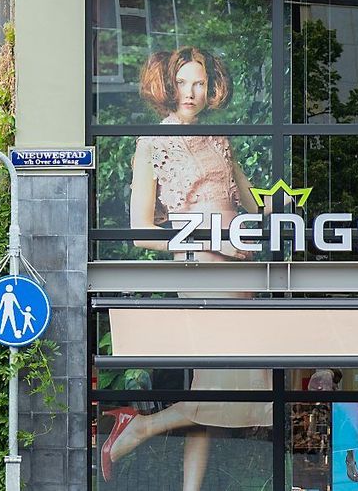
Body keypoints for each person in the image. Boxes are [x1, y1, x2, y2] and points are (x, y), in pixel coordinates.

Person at [102, 47, 273, 489]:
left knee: (219, 392)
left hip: (240, 269)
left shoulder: (220, 139)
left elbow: (251, 204)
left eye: (199, 83)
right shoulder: (152, 142)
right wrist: (210, 240)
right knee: (221, 387)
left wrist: (286, 204)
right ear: (167, 85)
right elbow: (141, 230)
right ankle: (138, 427)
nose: (191, 92)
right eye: (182, 83)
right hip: (201, 269)